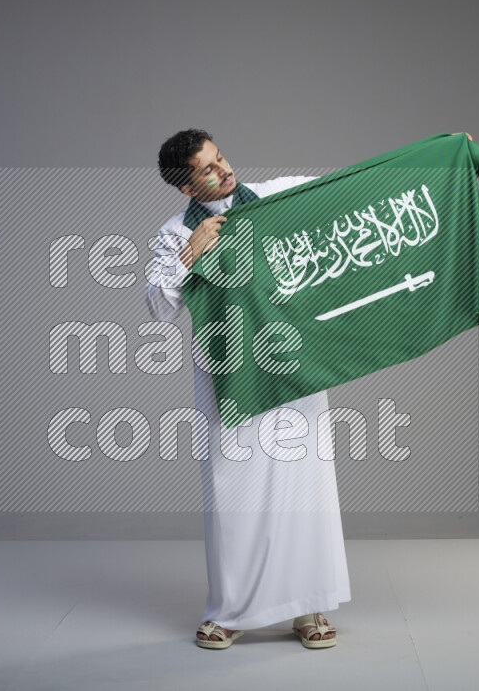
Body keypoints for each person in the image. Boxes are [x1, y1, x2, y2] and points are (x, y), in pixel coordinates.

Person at [146, 129, 352, 649]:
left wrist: (438, 162)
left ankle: (308, 609)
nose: (225, 171)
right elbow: (158, 307)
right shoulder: (175, 233)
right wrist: (187, 256)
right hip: (229, 371)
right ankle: (231, 610)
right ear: (188, 189)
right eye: (208, 170)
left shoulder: (273, 195)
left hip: (292, 362)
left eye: (222, 159)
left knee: (305, 486)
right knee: (232, 492)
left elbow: (349, 188)